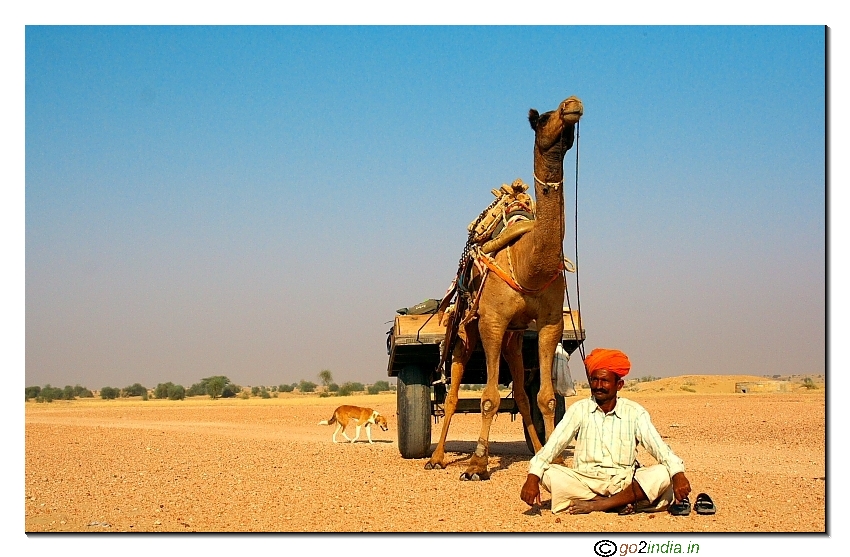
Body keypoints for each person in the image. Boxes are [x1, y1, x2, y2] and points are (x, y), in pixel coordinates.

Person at [520, 348, 691, 515]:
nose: (598, 386)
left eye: (604, 381)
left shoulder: (635, 412)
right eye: (594, 380)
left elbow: (659, 448)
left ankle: (600, 504)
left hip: (622, 481)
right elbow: (553, 446)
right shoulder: (579, 409)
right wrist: (532, 477)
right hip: (586, 480)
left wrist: (678, 474)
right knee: (547, 473)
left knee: (662, 473)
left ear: (619, 385)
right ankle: (618, 502)